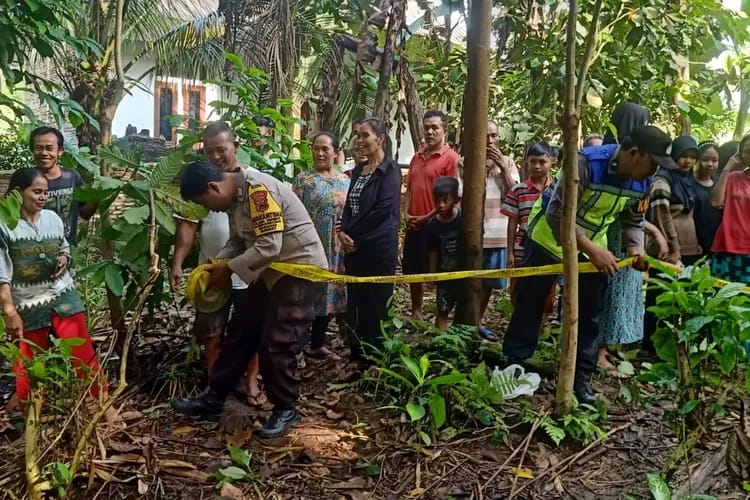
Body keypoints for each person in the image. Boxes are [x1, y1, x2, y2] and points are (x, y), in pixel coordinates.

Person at [503, 126, 674, 404]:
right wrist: (592, 249)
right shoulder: (586, 163)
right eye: (652, 163)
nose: (654, 171)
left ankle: (580, 377)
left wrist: (636, 248)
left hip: (593, 245)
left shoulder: (645, 182)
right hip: (549, 237)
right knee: (530, 302)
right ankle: (515, 361)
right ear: (634, 154)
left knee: (591, 310)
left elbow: (633, 220)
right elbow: (556, 213)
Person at [171, 161, 328, 438]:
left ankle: (285, 408)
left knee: (277, 342)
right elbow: (241, 241)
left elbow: (269, 245)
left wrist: (229, 269)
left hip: (298, 270)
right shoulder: (236, 197)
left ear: (213, 187)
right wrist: (218, 262)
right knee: (241, 331)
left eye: (205, 202)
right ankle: (214, 398)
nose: (209, 210)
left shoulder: (258, 190)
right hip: (270, 271)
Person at [1, 169, 115, 421]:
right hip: (28, 302)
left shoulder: (52, 217)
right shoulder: (4, 226)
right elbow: (2, 272)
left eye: (45, 192)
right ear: (18, 193)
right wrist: (9, 311)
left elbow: (63, 244)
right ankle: (30, 419)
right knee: (29, 361)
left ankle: (104, 409)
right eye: (37, 192)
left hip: (63, 293)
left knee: (82, 352)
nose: (43, 197)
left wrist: (64, 256)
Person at [170, 122, 265, 407]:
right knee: (212, 331)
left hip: (248, 272)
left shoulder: (255, 181)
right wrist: (178, 262)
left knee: (250, 329)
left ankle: (250, 382)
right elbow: (187, 227)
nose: (216, 156)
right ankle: (215, 387)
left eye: (221, 150)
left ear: (235, 147)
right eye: (209, 151)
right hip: (212, 270)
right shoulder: (201, 181)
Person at [339, 118, 401, 362]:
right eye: (358, 135)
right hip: (354, 250)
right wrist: (343, 232)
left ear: (380, 139)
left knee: (377, 303)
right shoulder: (357, 171)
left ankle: (376, 357)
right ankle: (356, 352)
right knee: (356, 302)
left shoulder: (390, 171)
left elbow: (383, 211)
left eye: (365, 135)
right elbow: (349, 207)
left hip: (377, 248)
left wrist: (355, 237)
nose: (360, 140)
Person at [293, 132, 350, 359]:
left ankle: (317, 343)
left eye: (325, 149)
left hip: (341, 250)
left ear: (336, 152)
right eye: (316, 148)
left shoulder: (347, 181)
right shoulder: (303, 180)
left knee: (333, 295)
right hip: (312, 248)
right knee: (308, 296)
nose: (319, 153)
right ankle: (296, 347)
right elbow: (293, 215)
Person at [403, 110, 459, 319]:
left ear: (444, 130)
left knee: (438, 269)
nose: (430, 131)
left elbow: (452, 196)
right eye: (426, 127)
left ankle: (440, 314)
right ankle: (416, 311)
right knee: (413, 269)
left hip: (438, 224)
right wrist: (406, 213)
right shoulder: (416, 157)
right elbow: (409, 187)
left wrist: (427, 216)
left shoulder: (450, 158)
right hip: (414, 222)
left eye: (435, 127)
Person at [501, 142, 555, 314]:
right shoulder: (518, 190)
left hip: (548, 249)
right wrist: (509, 252)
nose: (537, 166)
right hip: (521, 250)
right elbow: (512, 222)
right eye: (533, 161)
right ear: (527, 163)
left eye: (541, 161)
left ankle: (541, 329)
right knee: (519, 291)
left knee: (547, 294)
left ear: (552, 163)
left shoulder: (557, 190)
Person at [479, 120, 519, 337]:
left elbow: (516, 194)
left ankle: (478, 321)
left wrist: (503, 168)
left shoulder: (509, 163)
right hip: (474, 233)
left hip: (497, 233)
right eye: (485, 136)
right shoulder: (466, 162)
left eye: (493, 136)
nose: (489, 141)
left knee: (488, 282)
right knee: (470, 279)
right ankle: (468, 322)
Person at [30, 127, 97, 245]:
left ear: (60, 151)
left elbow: (85, 214)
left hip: (68, 249)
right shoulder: (25, 178)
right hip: (34, 250)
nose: (44, 153)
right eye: (39, 148)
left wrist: (98, 194)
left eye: (49, 148)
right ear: (32, 150)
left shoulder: (72, 177)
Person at [647, 135, 702, 266]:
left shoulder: (689, 180)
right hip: (667, 250)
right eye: (683, 155)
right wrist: (674, 248)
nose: (688, 161)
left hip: (688, 250)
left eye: (693, 157)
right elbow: (661, 217)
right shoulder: (662, 181)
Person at [710, 134, 750, 284]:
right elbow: (715, 202)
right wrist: (727, 169)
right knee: (720, 299)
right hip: (725, 246)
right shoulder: (733, 177)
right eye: (747, 151)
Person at [426, 177, 462, 330]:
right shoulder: (433, 225)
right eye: (437, 200)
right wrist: (432, 275)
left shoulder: (465, 219)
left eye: (445, 200)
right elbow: (433, 251)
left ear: (455, 199)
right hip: (444, 275)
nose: (440, 205)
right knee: (442, 310)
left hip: (464, 273)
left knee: (464, 308)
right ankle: (441, 343)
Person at [693, 141, 722, 259]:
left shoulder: (720, 183)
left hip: (715, 243)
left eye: (714, 160)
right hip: (694, 244)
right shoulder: (687, 182)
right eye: (705, 159)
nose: (710, 164)